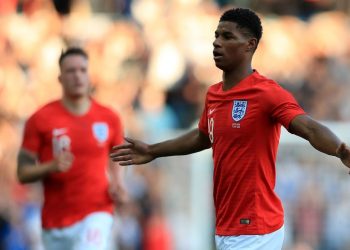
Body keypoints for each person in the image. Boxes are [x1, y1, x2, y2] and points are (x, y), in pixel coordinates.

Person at [110, 8, 350, 250]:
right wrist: (153, 150)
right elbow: (203, 136)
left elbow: (308, 127)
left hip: (256, 226)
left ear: (249, 45)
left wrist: (340, 150)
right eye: (216, 35)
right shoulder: (214, 94)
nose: (217, 42)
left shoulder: (266, 92)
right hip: (227, 225)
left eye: (227, 37)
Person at [17, 47, 127, 250]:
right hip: (55, 220)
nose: (78, 76)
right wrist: (50, 167)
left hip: (97, 210)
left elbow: (117, 154)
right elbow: (22, 173)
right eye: (71, 71)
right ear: (60, 78)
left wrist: (117, 182)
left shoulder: (109, 118)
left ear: (89, 75)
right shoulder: (40, 119)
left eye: (82, 70)